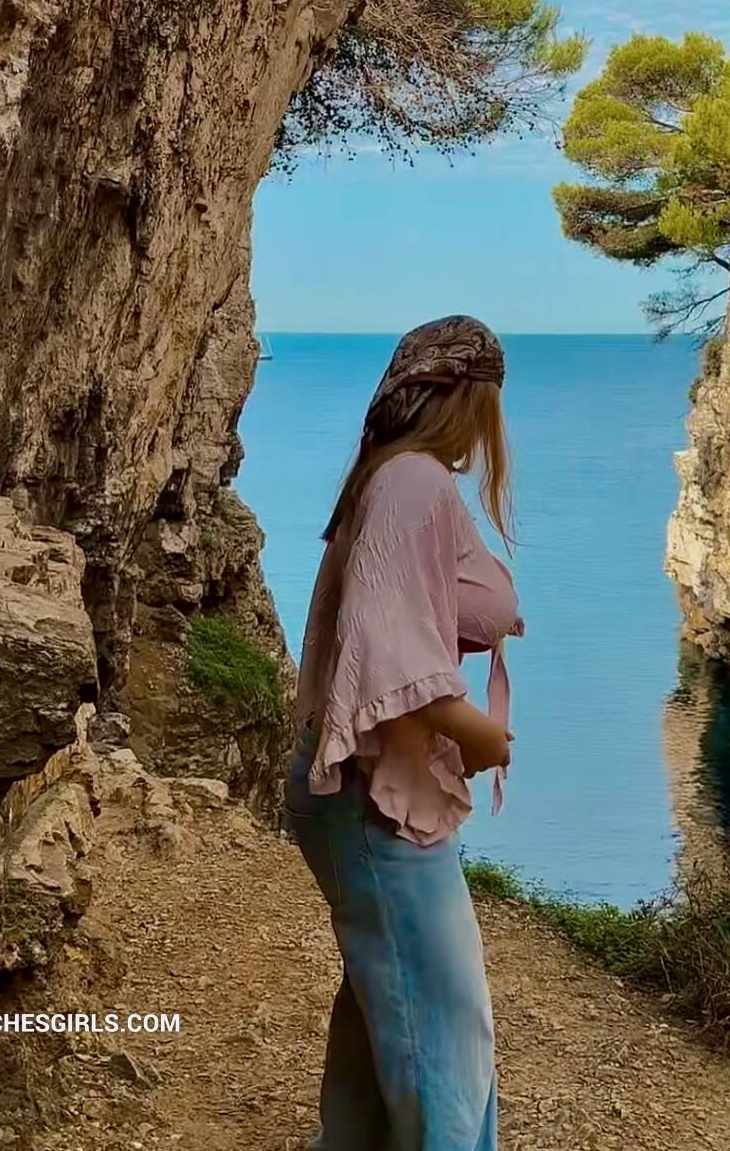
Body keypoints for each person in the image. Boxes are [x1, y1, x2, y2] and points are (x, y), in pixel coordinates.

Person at [284, 314, 525, 1151]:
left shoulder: (390, 477)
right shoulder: (413, 482)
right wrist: (481, 737)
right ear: (468, 398)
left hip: (364, 788)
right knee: (445, 1034)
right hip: (372, 795)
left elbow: (389, 623)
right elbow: (387, 648)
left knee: (390, 1004)